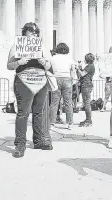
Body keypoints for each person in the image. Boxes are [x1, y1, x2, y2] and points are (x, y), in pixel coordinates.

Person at [6, 22, 53, 158]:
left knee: (38, 112)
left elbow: (50, 66)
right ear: (24, 32)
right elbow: (9, 65)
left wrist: (45, 62)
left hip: (40, 81)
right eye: (31, 31)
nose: (34, 33)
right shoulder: (17, 46)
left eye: (36, 31)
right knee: (23, 113)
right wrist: (19, 62)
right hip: (23, 80)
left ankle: (38, 141)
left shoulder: (43, 46)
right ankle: (20, 144)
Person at [50, 43, 76, 129]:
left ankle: (52, 123)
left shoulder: (53, 58)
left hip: (56, 78)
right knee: (68, 102)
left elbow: (50, 69)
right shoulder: (70, 59)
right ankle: (70, 123)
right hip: (67, 78)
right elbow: (72, 71)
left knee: (54, 102)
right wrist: (72, 80)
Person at [76, 53, 95, 127]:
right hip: (86, 85)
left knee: (87, 104)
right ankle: (88, 119)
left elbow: (82, 74)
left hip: (86, 85)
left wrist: (78, 69)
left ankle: (88, 120)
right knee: (86, 103)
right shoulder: (90, 66)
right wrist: (80, 69)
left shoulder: (90, 66)